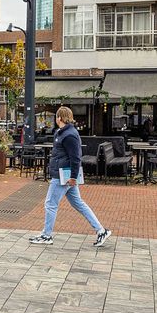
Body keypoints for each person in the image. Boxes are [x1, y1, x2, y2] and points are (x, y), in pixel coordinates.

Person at [29, 105, 113, 248]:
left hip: (63, 176)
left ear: (59, 118)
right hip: (65, 175)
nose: (56, 119)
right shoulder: (63, 133)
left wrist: (73, 177)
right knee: (78, 203)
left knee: (50, 204)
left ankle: (46, 235)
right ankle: (101, 230)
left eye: (56, 117)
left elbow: (76, 158)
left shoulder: (69, 135)